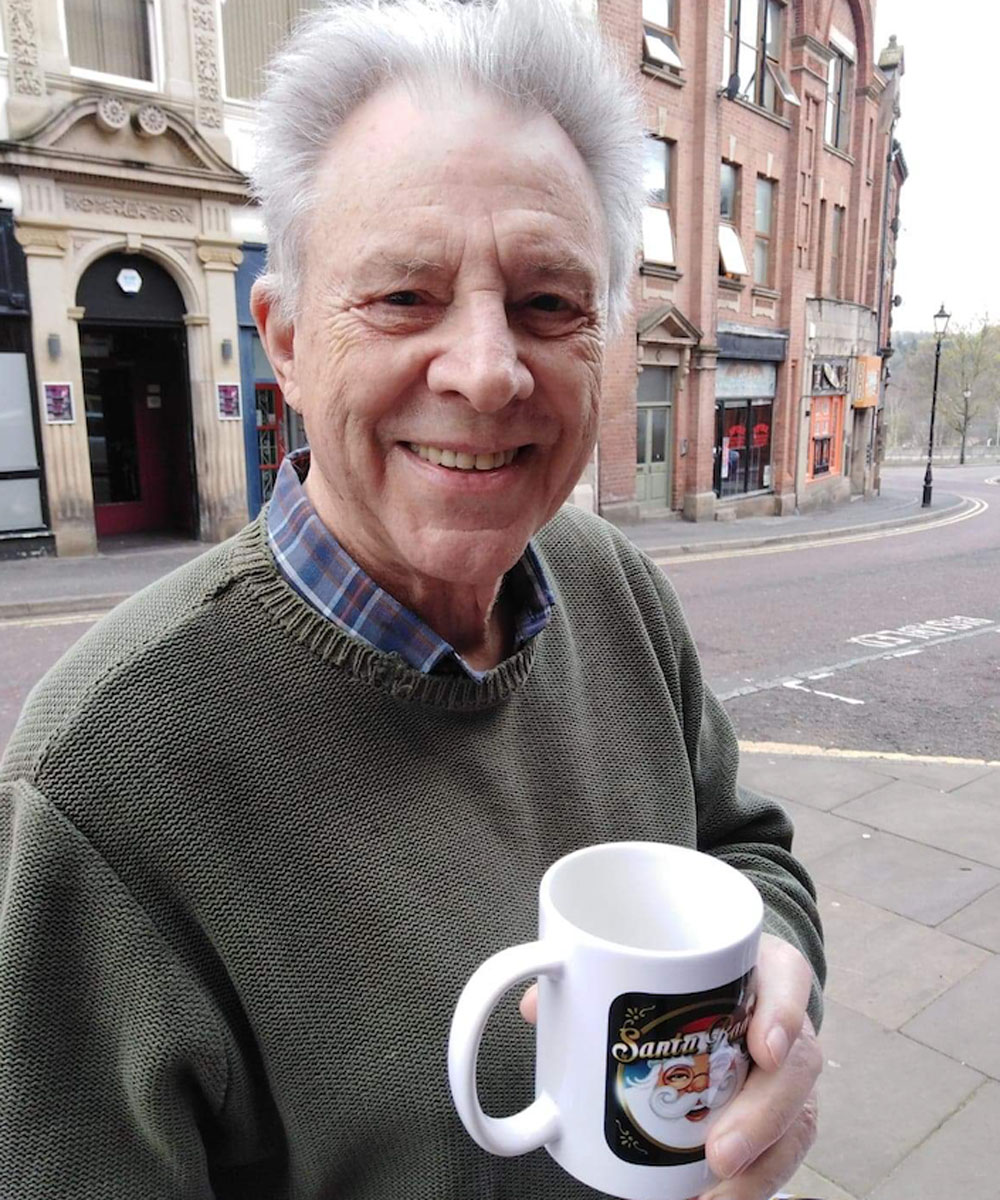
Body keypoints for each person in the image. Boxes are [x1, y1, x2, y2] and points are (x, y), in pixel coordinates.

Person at [0, 1, 824, 1197]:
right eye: (402, 297)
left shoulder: (614, 589)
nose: (487, 370)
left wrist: (779, 993)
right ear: (284, 339)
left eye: (547, 303)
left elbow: (747, 852)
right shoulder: (101, 782)